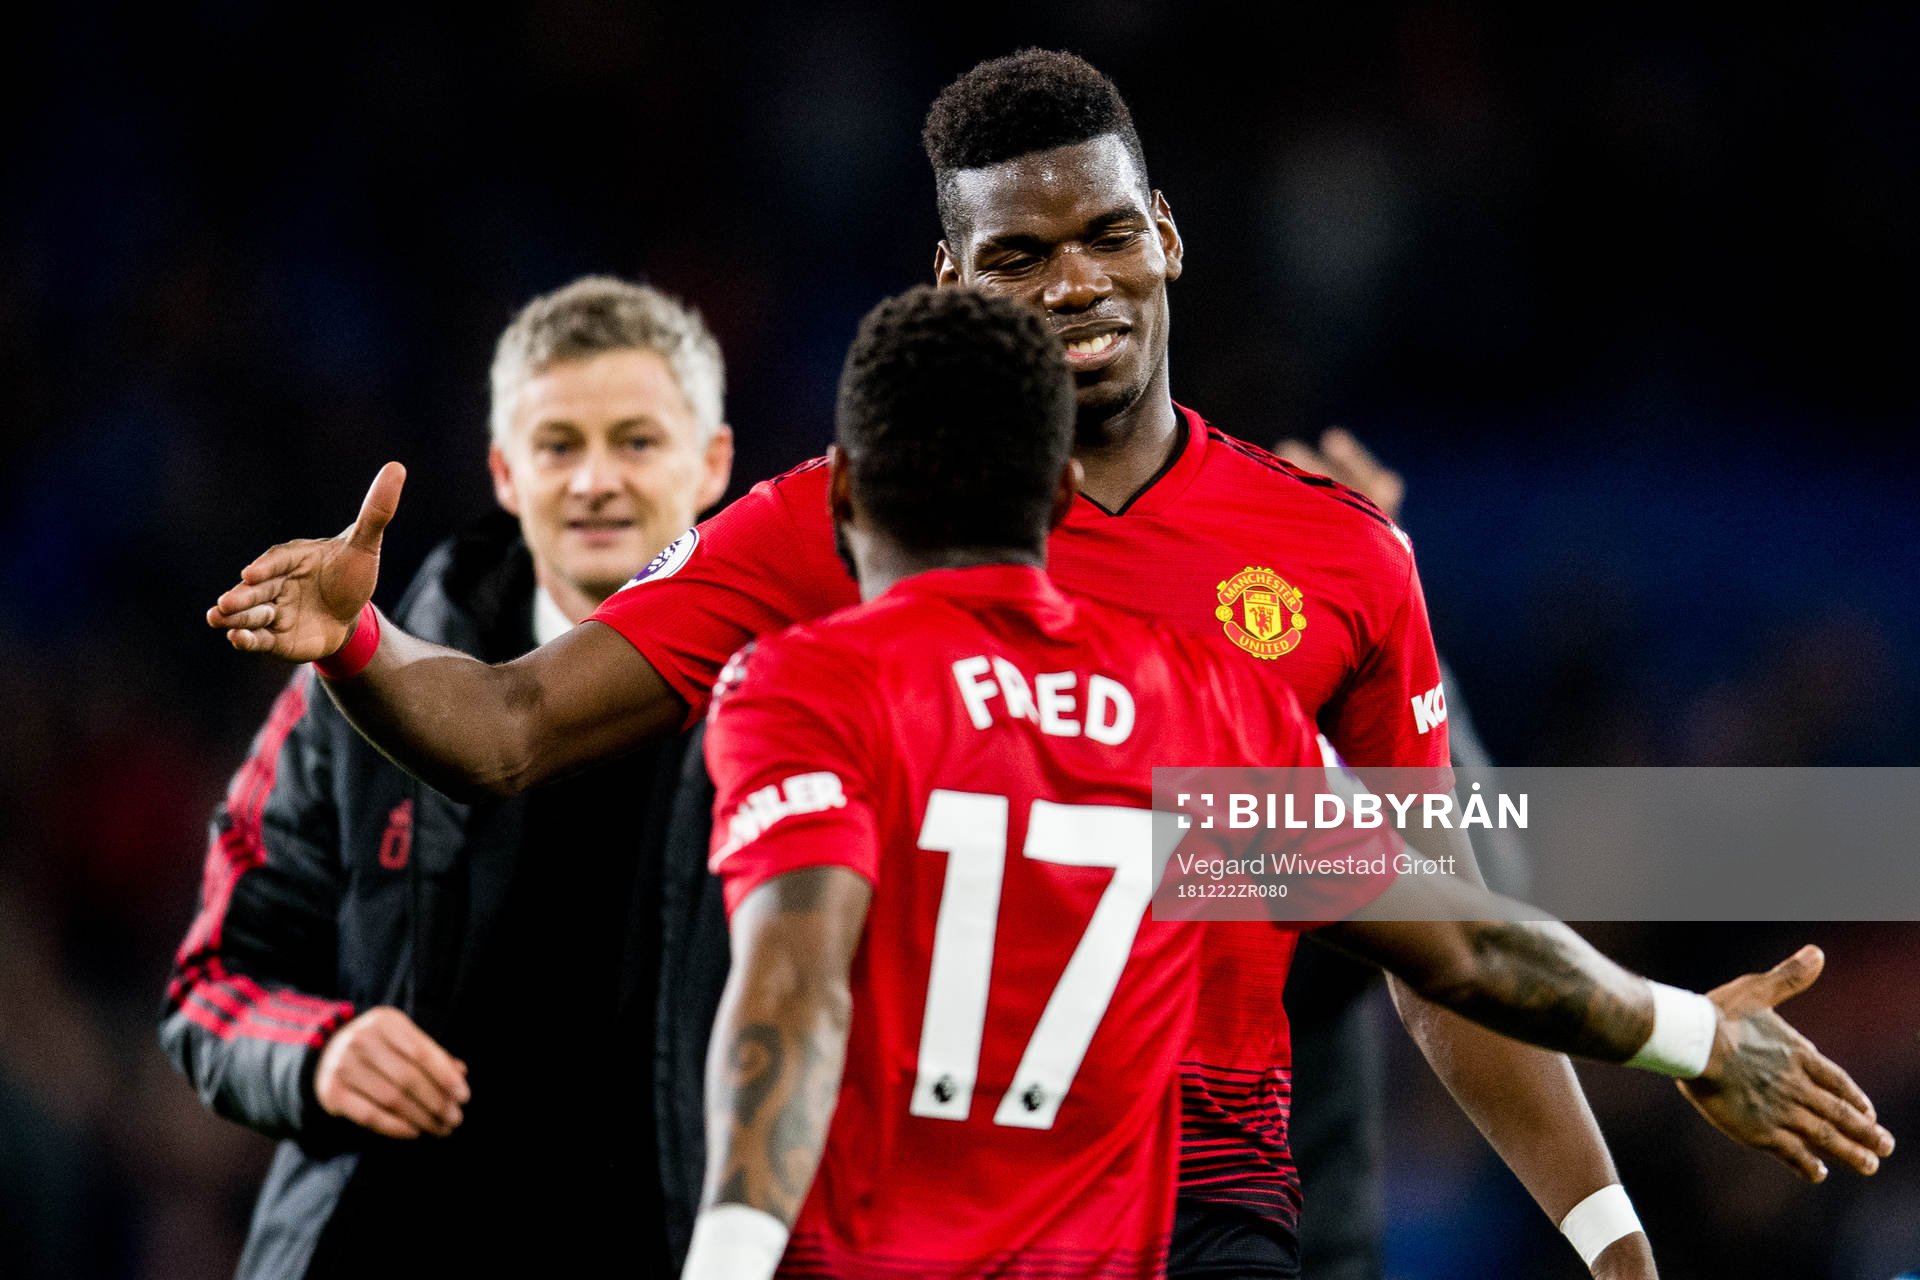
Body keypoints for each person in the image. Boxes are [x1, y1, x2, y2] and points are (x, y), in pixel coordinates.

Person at [203, 52, 1853, 1278]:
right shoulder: (1111, 663)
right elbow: (1459, 939)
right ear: (953, 278)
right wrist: (1677, 1038)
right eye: (1020, 255)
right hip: (933, 1182)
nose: (1075, 278)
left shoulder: (1328, 561)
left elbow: (1446, 954)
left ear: (1169, 238)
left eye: (1105, 234)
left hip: (1184, 1185)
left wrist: (1612, 1237)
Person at [679, 284, 1890, 1280]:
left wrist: (726, 1259)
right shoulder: (1210, 708)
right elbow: (1461, 943)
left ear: (842, 497)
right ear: (1060, 498)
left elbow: (794, 992)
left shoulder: (803, 690)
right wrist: (1693, 1034)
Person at [166, 276, 733, 1277]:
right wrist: (320, 1050)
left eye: (637, 440)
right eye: (559, 444)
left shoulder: (797, 703)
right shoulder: (353, 688)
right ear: (506, 472)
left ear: (714, 461)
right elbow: (210, 986)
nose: (595, 479)